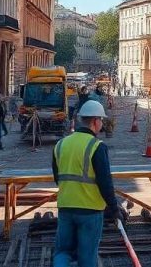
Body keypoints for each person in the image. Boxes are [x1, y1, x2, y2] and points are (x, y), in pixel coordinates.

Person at [52, 100, 118, 267]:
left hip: (66, 207)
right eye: (101, 120)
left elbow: (57, 177)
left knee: (62, 252)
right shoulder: (97, 146)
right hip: (90, 211)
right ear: (95, 121)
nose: (102, 124)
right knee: (87, 255)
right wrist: (114, 208)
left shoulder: (60, 144)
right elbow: (105, 182)